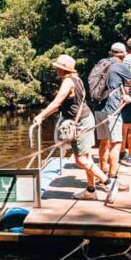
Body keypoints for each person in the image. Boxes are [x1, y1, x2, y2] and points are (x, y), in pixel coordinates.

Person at [32, 53, 112, 201]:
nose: (56, 70)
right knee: (86, 156)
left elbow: (56, 103)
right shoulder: (77, 79)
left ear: (64, 69)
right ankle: (90, 190)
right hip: (87, 118)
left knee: (80, 160)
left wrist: (40, 116)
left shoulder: (68, 82)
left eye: (58, 68)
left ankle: (108, 183)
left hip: (79, 123)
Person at [92, 42, 131, 203]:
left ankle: (102, 172)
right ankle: (113, 179)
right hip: (112, 110)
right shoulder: (120, 66)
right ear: (123, 53)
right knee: (116, 143)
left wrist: (124, 92)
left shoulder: (102, 63)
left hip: (97, 108)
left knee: (103, 142)